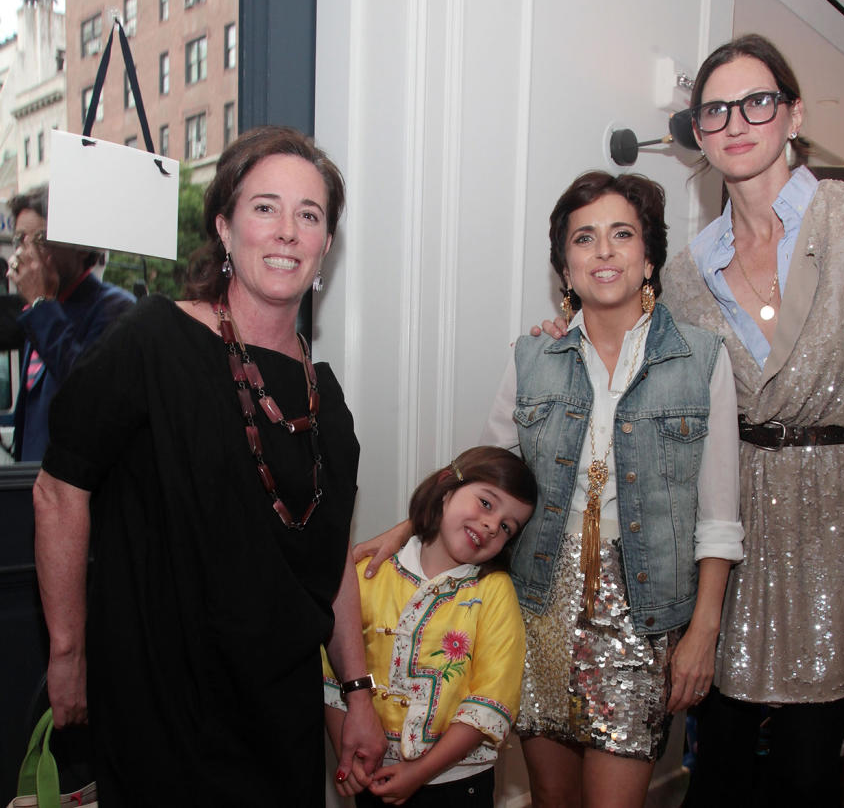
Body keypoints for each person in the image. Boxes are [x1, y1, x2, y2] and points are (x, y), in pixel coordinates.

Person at [358, 171, 744, 808]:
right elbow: (485, 479)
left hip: (640, 615)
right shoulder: (531, 356)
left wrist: (703, 630)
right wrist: (408, 526)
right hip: (535, 604)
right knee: (548, 799)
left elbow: (720, 516)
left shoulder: (703, 360)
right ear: (565, 266)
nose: (604, 251)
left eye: (623, 234)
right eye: (584, 238)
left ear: (649, 257)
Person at [32, 126, 386, 805]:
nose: (286, 230)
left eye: (308, 215)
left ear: (326, 244)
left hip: (276, 714)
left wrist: (355, 689)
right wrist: (68, 652)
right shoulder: (153, 341)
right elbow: (58, 490)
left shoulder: (326, 399)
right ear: (225, 227)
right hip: (162, 704)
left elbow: (329, 551)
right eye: (265, 208)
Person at [658, 35, 844, 806]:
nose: (735, 121)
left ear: (792, 113)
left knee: (810, 772)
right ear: (699, 133)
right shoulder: (686, 271)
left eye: (756, 101)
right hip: (732, 540)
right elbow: (671, 403)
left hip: (837, 530)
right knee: (718, 768)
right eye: (714, 109)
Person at [324, 446, 536, 807]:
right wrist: (348, 750)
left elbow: (494, 699)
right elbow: (332, 672)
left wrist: (419, 772)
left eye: (505, 527)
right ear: (446, 486)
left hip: (460, 783)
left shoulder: (495, 592)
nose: (490, 525)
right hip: (372, 774)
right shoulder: (370, 574)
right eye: (486, 503)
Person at [5, 186, 134, 460]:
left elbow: (88, 392)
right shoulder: (45, 305)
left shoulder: (114, 307)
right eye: (20, 240)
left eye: (39, 239)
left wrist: (41, 305)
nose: (26, 254)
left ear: (78, 246)